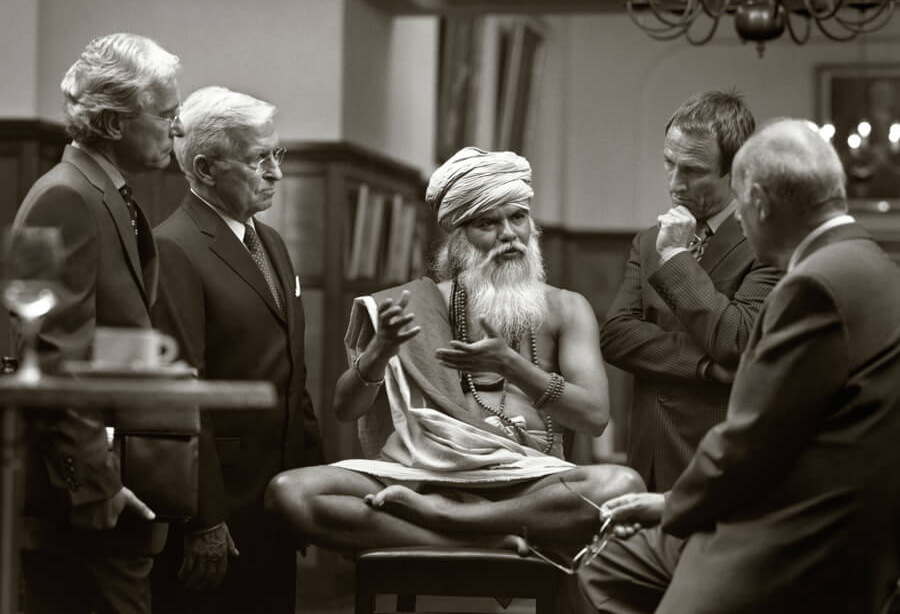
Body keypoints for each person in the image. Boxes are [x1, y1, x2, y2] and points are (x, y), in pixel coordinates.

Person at [577, 118, 900, 614]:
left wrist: (674, 505)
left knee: (603, 568)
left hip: (797, 533)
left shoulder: (813, 284)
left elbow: (753, 436)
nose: (741, 223)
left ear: (761, 203)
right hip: (854, 523)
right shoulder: (877, 266)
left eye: (743, 207)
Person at [265, 146, 644, 559]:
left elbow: (593, 418)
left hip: (528, 480)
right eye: (487, 223)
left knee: (621, 487)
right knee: (291, 492)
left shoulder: (566, 308)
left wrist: (511, 365)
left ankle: (452, 518)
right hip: (424, 473)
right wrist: (378, 353)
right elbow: (345, 408)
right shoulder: (413, 304)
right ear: (458, 238)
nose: (509, 234)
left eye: (518, 217)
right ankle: (473, 538)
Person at [12, 33, 183, 613]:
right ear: (113, 123)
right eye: (166, 115)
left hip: (115, 479)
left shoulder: (106, 194)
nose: (178, 128)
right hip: (81, 495)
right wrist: (94, 487)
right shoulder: (66, 197)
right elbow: (51, 357)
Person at [149, 86, 324, 614]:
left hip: (279, 497)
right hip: (219, 505)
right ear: (205, 169)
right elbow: (180, 391)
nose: (276, 173)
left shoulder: (271, 243)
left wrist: (314, 482)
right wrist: (204, 517)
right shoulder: (172, 246)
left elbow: (292, 372)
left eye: (277, 154)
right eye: (258, 159)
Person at [600, 89, 781, 491]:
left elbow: (737, 338)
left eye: (694, 171)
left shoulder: (768, 245)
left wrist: (677, 256)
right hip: (646, 456)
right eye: (669, 162)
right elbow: (615, 336)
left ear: (736, 171)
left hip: (717, 462)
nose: (675, 183)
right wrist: (704, 367)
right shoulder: (648, 241)